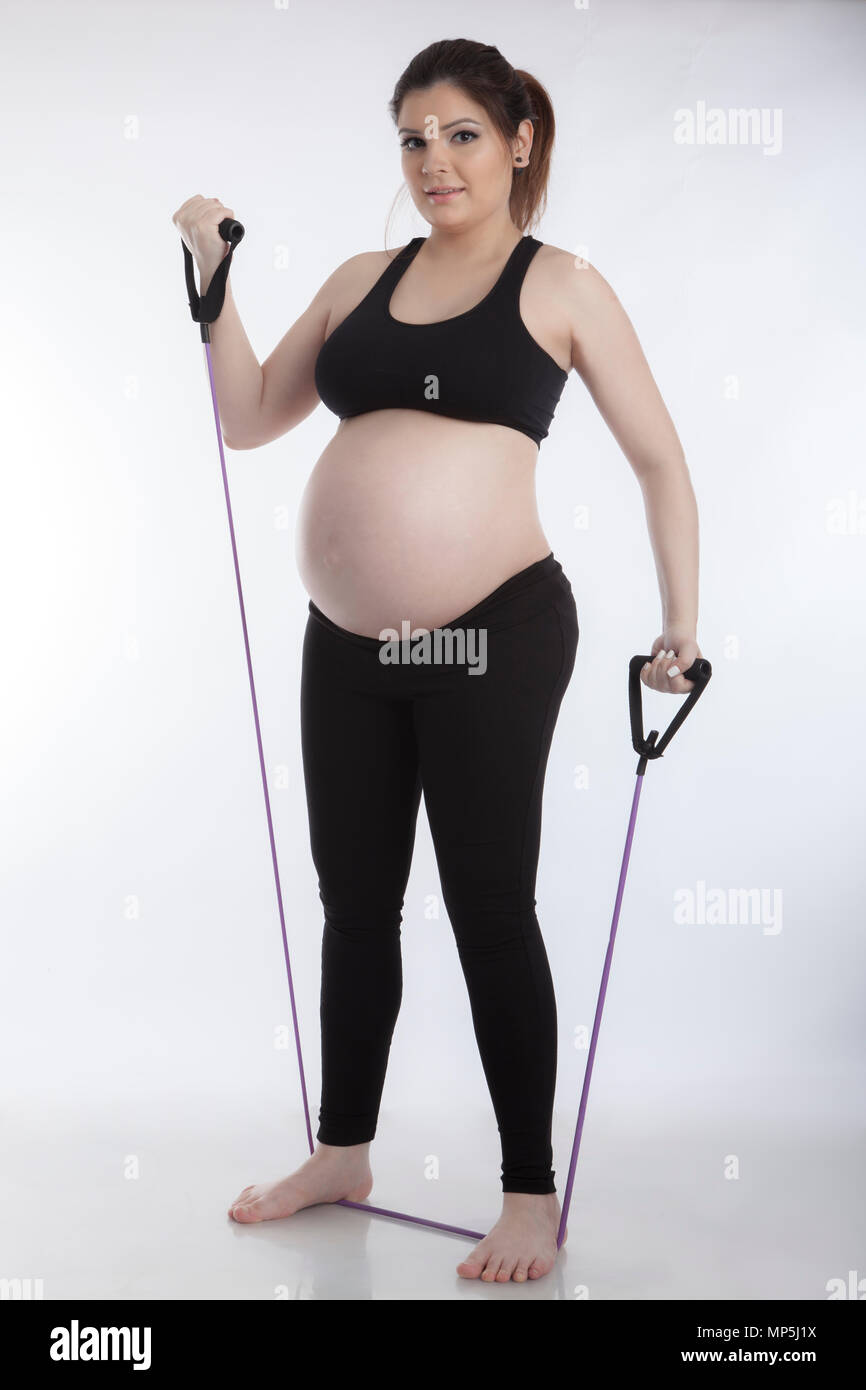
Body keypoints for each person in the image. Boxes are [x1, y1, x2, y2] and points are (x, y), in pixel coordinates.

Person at [172, 37, 702, 1285]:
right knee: (354, 904)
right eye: (412, 139)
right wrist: (213, 281)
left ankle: (526, 1194)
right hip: (348, 643)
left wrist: (680, 624)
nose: (433, 161)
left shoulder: (560, 284)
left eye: (461, 134)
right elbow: (247, 418)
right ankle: (341, 1152)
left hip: (491, 633)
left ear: (517, 141)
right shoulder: (362, 279)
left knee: (486, 904)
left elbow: (658, 459)